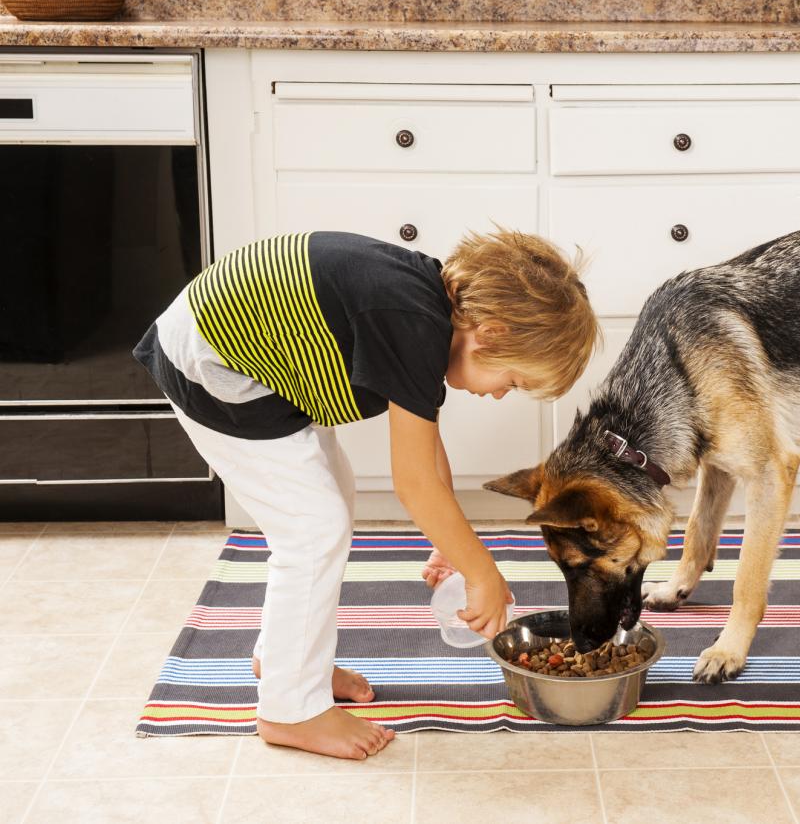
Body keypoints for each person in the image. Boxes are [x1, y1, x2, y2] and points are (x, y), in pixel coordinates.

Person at [134, 228, 599, 759]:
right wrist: (481, 571)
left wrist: (448, 538)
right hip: (212, 364)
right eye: (511, 381)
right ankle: (290, 711)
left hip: (256, 364)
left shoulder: (426, 310)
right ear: (489, 334)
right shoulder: (414, 322)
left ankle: (286, 659)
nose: (497, 394)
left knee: (330, 499)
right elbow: (414, 482)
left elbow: (425, 449)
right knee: (312, 531)